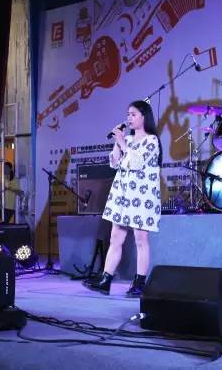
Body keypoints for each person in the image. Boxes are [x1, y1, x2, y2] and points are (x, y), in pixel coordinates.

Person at [84, 100, 162, 297]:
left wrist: (122, 142)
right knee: (115, 238)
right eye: (128, 114)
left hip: (141, 197)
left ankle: (139, 283)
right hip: (122, 195)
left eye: (133, 114)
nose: (129, 118)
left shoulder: (151, 140)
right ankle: (105, 280)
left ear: (144, 117)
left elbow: (136, 163)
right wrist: (118, 141)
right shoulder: (127, 139)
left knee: (140, 240)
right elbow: (115, 162)